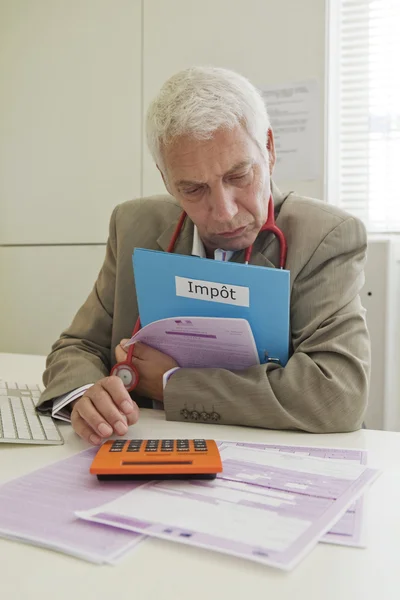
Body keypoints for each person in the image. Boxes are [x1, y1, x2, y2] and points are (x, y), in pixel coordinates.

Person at [37, 66, 370, 444]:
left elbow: (338, 394)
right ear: (166, 181)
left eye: (239, 176)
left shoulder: (325, 237)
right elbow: (77, 346)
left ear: (270, 150)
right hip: (149, 452)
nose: (224, 211)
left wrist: (172, 384)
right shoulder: (133, 226)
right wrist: (86, 396)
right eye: (193, 189)